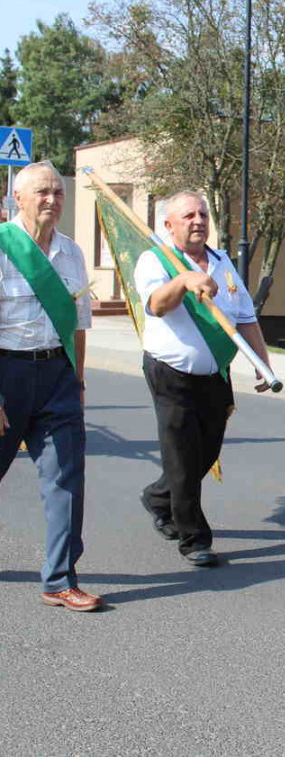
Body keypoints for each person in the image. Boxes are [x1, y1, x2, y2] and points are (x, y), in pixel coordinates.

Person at [134, 191, 273, 568]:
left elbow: (245, 316)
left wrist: (262, 362)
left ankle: (159, 498)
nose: (198, 221)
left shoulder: (222, 262)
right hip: (170, 374)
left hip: (215, 375)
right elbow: (157, 305)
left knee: (205, 452)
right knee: (181, 456)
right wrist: (183, 281)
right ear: (169, 225)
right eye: (188, 216)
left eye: (202, 214)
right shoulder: (155, 260)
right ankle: (194, 539)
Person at [0, 161, 101, 611]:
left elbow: (78, 323)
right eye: (42, 192)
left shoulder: (72, 253)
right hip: (7, 374)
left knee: (66, 478)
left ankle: (60, 580)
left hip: (57, 375)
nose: (52, 200)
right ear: (17, 199)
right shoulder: (3, 247)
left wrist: (77, 379)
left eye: (58, 193)